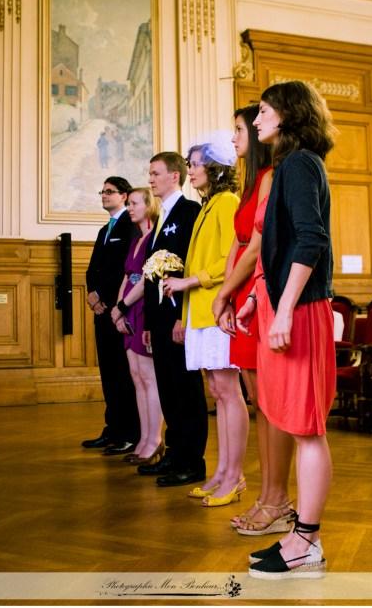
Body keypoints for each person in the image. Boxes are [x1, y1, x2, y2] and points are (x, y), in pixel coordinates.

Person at [237, 81, 336, 579]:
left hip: (300, 311)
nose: (257, 122)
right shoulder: (292, 166)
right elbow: (279, 246)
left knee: (307, 430)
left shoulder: (299, 164)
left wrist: (282, 310)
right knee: (298, 427)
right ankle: (305, 538)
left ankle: (305, 541)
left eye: (263, 110)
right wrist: (260, 297)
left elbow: (311, 240)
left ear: (288, 114)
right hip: (286, 306)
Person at [213, 107, 296, 534]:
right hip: (242, 288)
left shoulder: (271, 178)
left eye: (239, 129)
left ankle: (276, 498)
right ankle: (268, 497)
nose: (234, 138)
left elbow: (258, 247)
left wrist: (229, 292)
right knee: (259, 401)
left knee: (272, 402)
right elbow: (237, 243)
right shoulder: (250, 185)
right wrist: (225, 293)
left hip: (258, 287)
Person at [163, 137, 246, 506]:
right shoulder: (209, 205)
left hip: (216, 309)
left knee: (229, 393)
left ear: (215, 168)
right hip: (199, 310)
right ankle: (222, 472)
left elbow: (232, 259)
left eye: (195, 163)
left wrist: (189, 282)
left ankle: (234, 475)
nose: (190, 170)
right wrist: (183, 314)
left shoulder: (227, 201)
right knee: (218, 392)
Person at [138, 152, 206, 487]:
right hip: (160, 317)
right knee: (167, 386)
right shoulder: (160, 215)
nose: (150, 179)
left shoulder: (190, 211)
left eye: (156, 173)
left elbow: (190, 267)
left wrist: (182, 317)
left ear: (175, 176)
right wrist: (150, 323)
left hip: (179, 315)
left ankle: (192, 461)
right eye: (149, 173)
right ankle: (174, 454)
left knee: (186, 389)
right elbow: (153, 273)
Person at [83, 178, 140, 454]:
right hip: (100, 310)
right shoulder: (104, 229)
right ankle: (113, 429)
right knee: (108, 371)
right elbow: (93, 268)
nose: (104, 195)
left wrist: (111, 302)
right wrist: (91, 294)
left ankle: (130, 432)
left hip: (119, 309)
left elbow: (125, 270)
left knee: (124, 373)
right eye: (102, 191)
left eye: (109, 191)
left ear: (124, 195)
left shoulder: (131, 227)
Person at [109, 187, 163, 466]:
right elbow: (127, 275)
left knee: (149, 376)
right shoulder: (137, 240)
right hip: (128, 307)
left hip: (142, 307)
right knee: (136, 376)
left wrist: (124, 305)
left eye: (134, 203)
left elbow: (146, 280)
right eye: (128, 203)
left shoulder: (155, 237)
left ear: (149, 206)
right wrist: (118, 310)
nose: (129, 208)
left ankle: (155, 438)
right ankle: (144, 437)